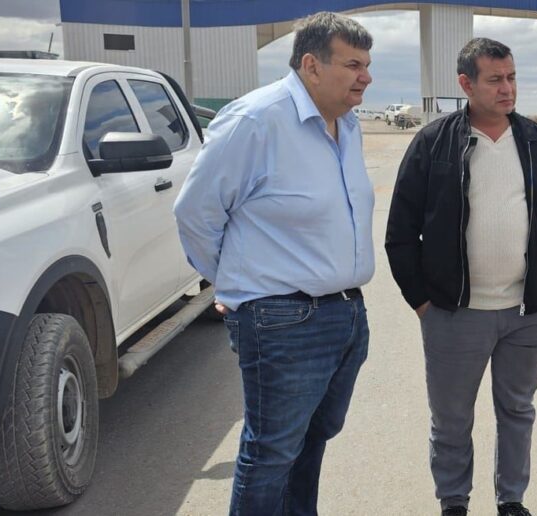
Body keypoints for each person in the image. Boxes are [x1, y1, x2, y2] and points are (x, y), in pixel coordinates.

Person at [173, 12, 374, 516]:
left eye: (366, 65)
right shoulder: (256, 120)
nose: (366, 77)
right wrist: (235, 285)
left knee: (313, 439)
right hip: (282, 320)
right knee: (271, 454)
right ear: (311, 65)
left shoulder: (348, 125)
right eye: (353, 65)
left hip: (345, 313)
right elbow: (196, 213)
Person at [385, 38, 537, 516]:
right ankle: (454, 502)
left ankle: (511, 500)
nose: (507, 88)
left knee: (518, 411)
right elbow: (401, 231)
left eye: (511, 77)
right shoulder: (434, 142)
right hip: (454, 315)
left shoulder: (534, 139)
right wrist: (422, 301)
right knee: (451, 420)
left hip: (526, 314)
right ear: (466, 84)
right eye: (495, 79)